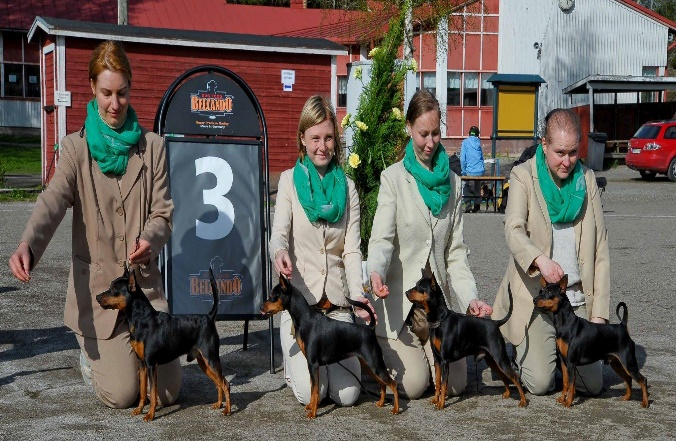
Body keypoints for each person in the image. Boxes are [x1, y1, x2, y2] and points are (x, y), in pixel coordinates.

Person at [7, 40, 181, 409]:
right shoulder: (74, 149)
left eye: (122, 93)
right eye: (106, 93)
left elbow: (163, 213)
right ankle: (92, 360)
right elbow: (51, 201)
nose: (115, 104)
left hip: (145, 296)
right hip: (101, 298)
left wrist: (151, 238)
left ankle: (125, 357)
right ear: (91, 88)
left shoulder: (153, 147)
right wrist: (28, 244)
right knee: (124, 395)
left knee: (167, 394)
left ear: (131, 89)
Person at [367, 89, 493, 399]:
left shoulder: (454, 182)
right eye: (423, 133)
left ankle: (424, 356)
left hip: (438, 310)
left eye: (436, 133)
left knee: (454, 386)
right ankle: (370, 367)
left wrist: (470, 299)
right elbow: (381, 239)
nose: (430, 142)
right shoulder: (393, 178)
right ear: (409, 128)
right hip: (402, 304)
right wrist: (376, 272)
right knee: (413, 386)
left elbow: (455, 253)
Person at [492, 108, 609, 396]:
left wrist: (600, 316)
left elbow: (601, 249)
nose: (567, 161)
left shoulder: (588, 179)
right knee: (540, 384)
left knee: (593, 386)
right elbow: (513, 228)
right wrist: (539, 259)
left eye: (573, 152)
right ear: (544, 144)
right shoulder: (522, 175)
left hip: (577, 301)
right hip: (538, 298)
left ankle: (558, 357)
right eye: (559, 152)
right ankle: (531, 355)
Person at [269, 95, 375, 407]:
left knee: (348, 395)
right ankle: (293, 367)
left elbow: (352, 251)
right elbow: (278, 236)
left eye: (328, 138)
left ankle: (325, 370)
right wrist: (279, 254)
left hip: (337, 308)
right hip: (303, 309)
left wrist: (357, 300)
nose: (322, 146)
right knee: (309, 393)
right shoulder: (288, 182)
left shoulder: (349, 187)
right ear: (302, 139)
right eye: (315, 138)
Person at [460, 125, 485, 213]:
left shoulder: (465, 143)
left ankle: (468, 204)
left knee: (465, 185)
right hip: (480, 171)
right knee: (477, 186)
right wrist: (482, 170)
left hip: (470, 171)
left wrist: (463, 171)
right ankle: (477, 205)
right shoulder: (479, 143)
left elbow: (463, 159)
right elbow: (481, 158)